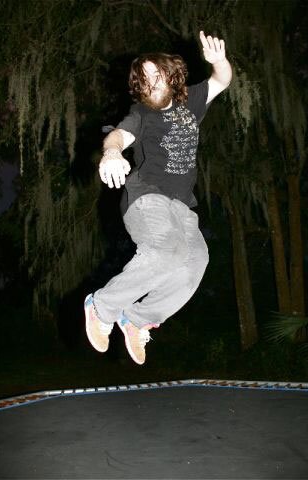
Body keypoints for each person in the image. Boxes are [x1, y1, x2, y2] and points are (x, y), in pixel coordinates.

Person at [84, 31, 232, 365]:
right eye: (144, 79)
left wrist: (218, 61)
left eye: (156, 75)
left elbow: (222, 80)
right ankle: (101, 307)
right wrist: (111, 154)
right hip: (147, 197)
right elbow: (121, 134)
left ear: (171, 77)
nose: (150, 83)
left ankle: (137, 321)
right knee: (166, 250)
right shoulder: (142, 112)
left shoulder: (192, 101)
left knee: (196, 261)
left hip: (182, 205)